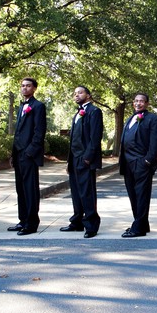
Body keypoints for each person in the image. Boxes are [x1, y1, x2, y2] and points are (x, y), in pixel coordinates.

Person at [60, 86, 103, 238]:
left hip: (85, 158)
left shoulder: (94, 111)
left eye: (80, 92)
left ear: (88, 95)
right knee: (76, 193)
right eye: (75, 93)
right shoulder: (77, 113)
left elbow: (95, 136)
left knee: (87, 193)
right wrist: (69, 161)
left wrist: (87, 157)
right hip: (74, 159)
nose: (77, 95)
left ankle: (91, 225)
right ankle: (76, 222)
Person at [119, 92, 157, 238]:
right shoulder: (129, 119)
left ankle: (138, 228)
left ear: (147, 104)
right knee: (133, 195)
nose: (138, 103)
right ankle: (141, 223)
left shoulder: (153, 119)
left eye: (142, 101)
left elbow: (156, 142)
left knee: (142, 195)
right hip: (127, 163)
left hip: (141, 163)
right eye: (136, 101)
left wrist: (147, 161)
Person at [8, 77, 47, 236]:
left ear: (34, 88)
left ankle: (31, 223)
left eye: (28, 86)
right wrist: (13, 153)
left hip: (29, 155)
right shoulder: (21, 107)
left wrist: (30, 152)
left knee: (30, 189)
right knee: (20, 189)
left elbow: (39, 132)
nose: (24, 88)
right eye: (22, 86)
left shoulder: (38, 106)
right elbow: (17, 133)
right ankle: (22, 220)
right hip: (18, 154)